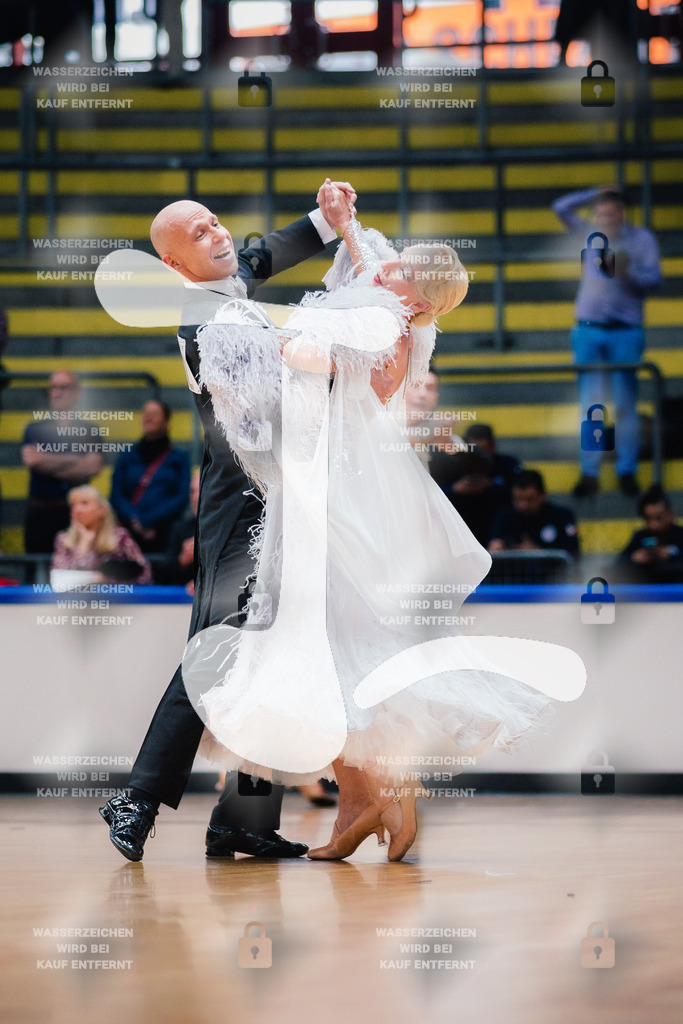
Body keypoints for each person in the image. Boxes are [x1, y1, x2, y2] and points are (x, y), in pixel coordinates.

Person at [193, 211, 569, 863]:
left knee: (325, 645)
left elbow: (304, 353)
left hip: (336, 496)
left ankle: (373, 798)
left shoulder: (379, 321)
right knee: (336, 645)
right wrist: (344, 223)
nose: (383, 264)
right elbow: (368, 260)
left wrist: (247, 327)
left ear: (415, 295)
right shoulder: (399, 313)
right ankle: (367, 803)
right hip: (351, 487)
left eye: (400, 268)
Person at [99, 180, 357, 862]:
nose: (218, 235)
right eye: (200, 233)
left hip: (274, 503)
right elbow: (268, 418)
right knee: (217, 653)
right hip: (239, 509)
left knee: (270, 661)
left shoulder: (226, 283)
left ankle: (241, 820)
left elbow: (261, 254)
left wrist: (326, 222)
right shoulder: (205, 327)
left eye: (214, 222)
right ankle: (137, 800)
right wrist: (331, 361)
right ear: (174, 267)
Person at [552, 185, 662, 498]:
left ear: (622, 213)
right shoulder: (589, 234)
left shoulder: (641, 240)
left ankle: (626, 470)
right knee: (590, 404)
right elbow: (561, 206)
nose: (605, 218)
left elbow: (654, 281)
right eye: (600, 213)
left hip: (625, 329)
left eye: (610, 213)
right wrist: (593, 193)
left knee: (626, 405)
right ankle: (590, 470)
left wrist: (628, 273)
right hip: (588, 329)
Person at [21, 370, 103, 555]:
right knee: (37, 572)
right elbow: (32, 459)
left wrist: (47, 462)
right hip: (40, 515)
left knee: (77, 570)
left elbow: (92, 466)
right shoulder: (34, 429)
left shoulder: (90, 430)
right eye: (53, 388)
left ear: (77, 392)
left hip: (77, 517)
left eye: (64, 387)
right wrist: (75, 460)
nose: (57, 392)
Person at [110, 398, 190, 554]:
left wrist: (148, 520)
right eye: (145, 413)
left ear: (166, 422)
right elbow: (116, 494)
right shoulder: (127, 456)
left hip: (165, 533)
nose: (149, 417)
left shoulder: (179, 458)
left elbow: (181, 497)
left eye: (154, 414)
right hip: (129, 533)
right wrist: (135, 519)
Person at [51, 485, 152, 585]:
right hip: (74, 600)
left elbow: (145, 574)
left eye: (84, 503)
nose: (77, 509)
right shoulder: (63, 539)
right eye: (73, 505)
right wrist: (84, 546)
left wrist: (106, 580)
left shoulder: (119, 536)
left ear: (101, 510)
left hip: (115, 599)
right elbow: (59, 579)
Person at [488, 469, 580, 560]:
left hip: (553, 574)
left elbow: (572, 554)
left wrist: (536, 552)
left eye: (530, 499)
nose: (523, 505)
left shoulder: (562, 517)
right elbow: (495, 546)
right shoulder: (505, 516)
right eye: (518, 499)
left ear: (543, 496)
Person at [403, 364, 467, 472]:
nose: (422, 394)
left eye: (430, 388)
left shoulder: (440, 435)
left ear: (436, 397)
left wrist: (449, 443)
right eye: (416, 385)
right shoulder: (377, 425)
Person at [614, 484, 683, 583]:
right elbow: (617, 565)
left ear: (670, 515)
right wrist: (634, 558)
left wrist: (672, 556)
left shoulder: (680, 535)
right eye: (648, 519)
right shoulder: (640, 536)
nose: (654, 525)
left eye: (659, 518)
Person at [438, 451, 508, 548]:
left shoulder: (495, 492)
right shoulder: (447, 490)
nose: (474, 481)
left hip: (485, 540)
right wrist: (454, 491)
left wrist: (489, 486)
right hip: (457, 544)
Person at [154, 466, 200, 590]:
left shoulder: (233, 527)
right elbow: (162, 577)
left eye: (201, 491)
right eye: (193, 491)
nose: (196, 498)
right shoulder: (181, 529)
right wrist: (183, 559)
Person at [463, 423, 522, 500]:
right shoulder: (454, 466)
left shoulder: (508, 465)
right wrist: (456, 489)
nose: (478, 457)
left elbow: (522, 493)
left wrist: (493, 485)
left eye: (483, 451)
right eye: (474, 451)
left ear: (493, 446)